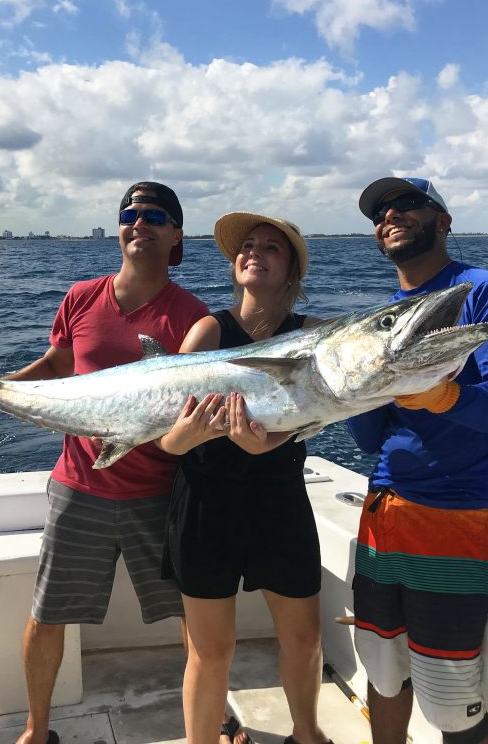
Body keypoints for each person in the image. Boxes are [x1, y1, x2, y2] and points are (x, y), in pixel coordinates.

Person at [0, 182, 209, 744]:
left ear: (176, 235)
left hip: (160, 491)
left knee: (196, 619)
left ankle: (214, 723)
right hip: (79, 487)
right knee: (48, 615)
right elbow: (56, 365)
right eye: (130, 214)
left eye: (156, 216)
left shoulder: (193, 315)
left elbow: (189, 399)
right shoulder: (81, 297)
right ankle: (36, 731)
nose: (140, 223)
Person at [346, 177, 488, 744]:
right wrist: (356, 391)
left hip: (452, 521)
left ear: (444, 220)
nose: (391, 215)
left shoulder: (486, 292)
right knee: (381, 675)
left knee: (450, 701)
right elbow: (369, 437)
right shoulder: (386, 316)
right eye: (380, 212)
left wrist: (444, 395)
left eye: (408, 204)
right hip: (381, 515)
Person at [158, 213, 331, 744]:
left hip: (279, 501)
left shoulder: (312, 338)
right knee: (211, 651)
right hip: (206, 503)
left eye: (271, 248)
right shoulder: (209, 330)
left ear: (291, 269)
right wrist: (190, 436)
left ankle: (308, 735)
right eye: (248, 246)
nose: (255, 252)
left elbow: (317, 413)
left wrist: (266, 444)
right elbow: (167, 437)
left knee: (303, 639)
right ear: (235, 265)